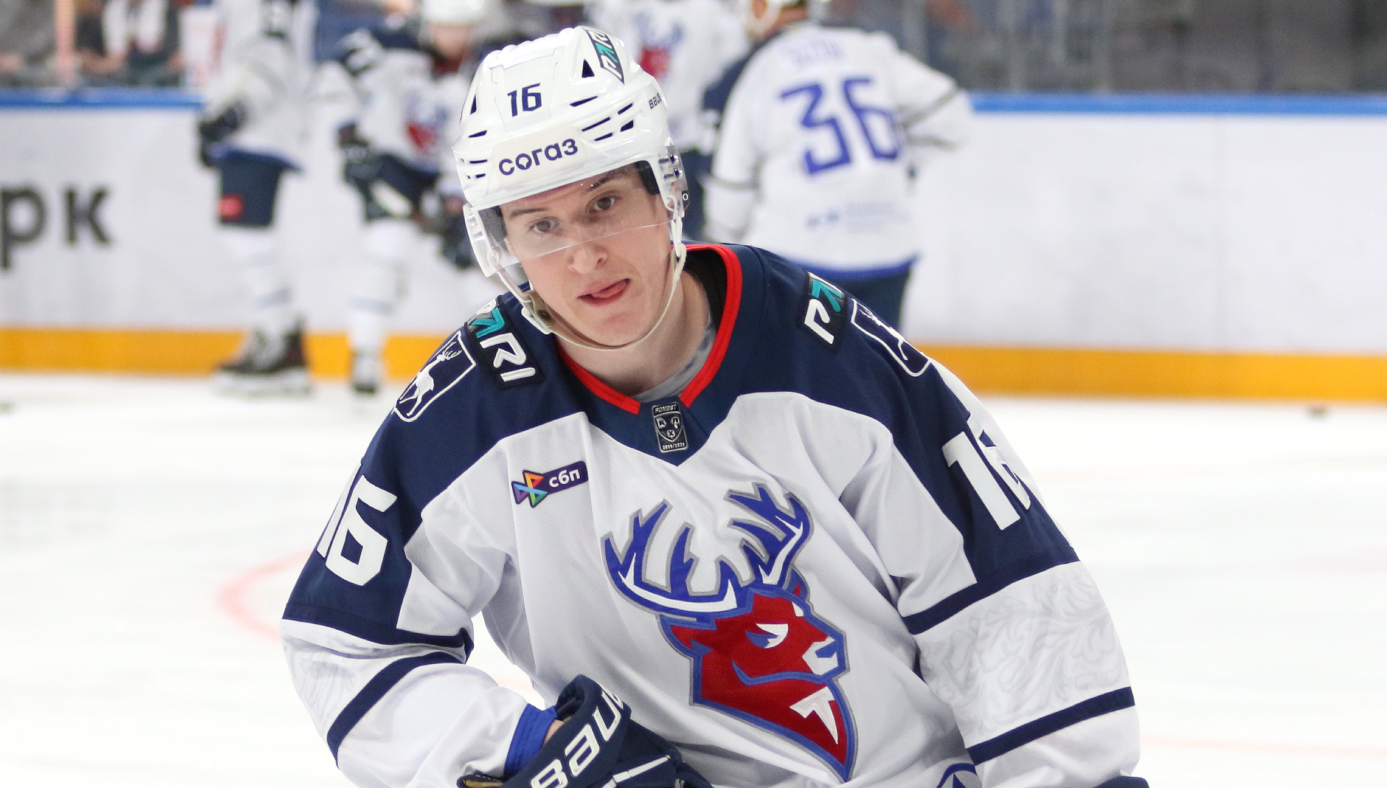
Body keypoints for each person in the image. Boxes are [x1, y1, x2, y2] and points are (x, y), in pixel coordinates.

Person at [282, 26, 1148, 788]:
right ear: (499, 244)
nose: (583, 257)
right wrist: (533, 750)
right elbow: (346, 645)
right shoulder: (472, 410)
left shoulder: (830, 361)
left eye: (605, 203)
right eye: (541, 226)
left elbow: (1008, 608)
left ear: (666, 190)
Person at [701, 0, 971, 328]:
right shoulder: (867, 48)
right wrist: (902, 168)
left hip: (800, 258)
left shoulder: (757, 69)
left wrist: (721, 242)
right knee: (875, 361)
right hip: (888, 250)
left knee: (796, 362)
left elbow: (731, 187)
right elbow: (950, 114)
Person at [322, 0, 485, 395]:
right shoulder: (387, 45)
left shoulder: (482, 70)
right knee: (386, 251)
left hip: (449, 172)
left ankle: (493, 354)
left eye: (463, 28)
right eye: (447, 27)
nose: (455, 37)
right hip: (394, 164)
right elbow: (335, 75)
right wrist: (347, 133)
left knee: (475, 260)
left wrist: (454, 198)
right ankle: (364, 355)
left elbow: (472, 139)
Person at [198, 0, 318, 395]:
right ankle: (273, 333)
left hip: (259, 129)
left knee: (246, 236)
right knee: (246, 237)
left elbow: (272, 52)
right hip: (253, 129)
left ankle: (281, 338)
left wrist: (233, 111)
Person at [592, 0, 747, 240]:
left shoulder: (714, 11)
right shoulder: (617, 6)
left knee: (685, 233)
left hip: (688, 143)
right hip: (629, 142)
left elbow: (731, 71)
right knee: (631, 228)